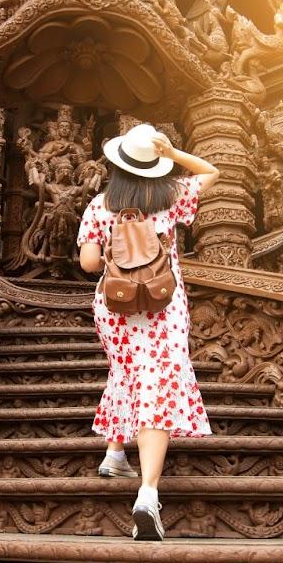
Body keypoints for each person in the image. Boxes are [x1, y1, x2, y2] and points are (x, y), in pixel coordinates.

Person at [76, 124, 219, 540]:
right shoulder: (171, 197)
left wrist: (119, 251)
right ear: (154, 165)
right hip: (163, 304)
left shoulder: (101, 205)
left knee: (127, 373)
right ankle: (147, 494)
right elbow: (211, 172)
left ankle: (115, 452)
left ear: (118, 165)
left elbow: (87, 264)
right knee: (157, 382)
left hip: (115, 304)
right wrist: (174, 154)